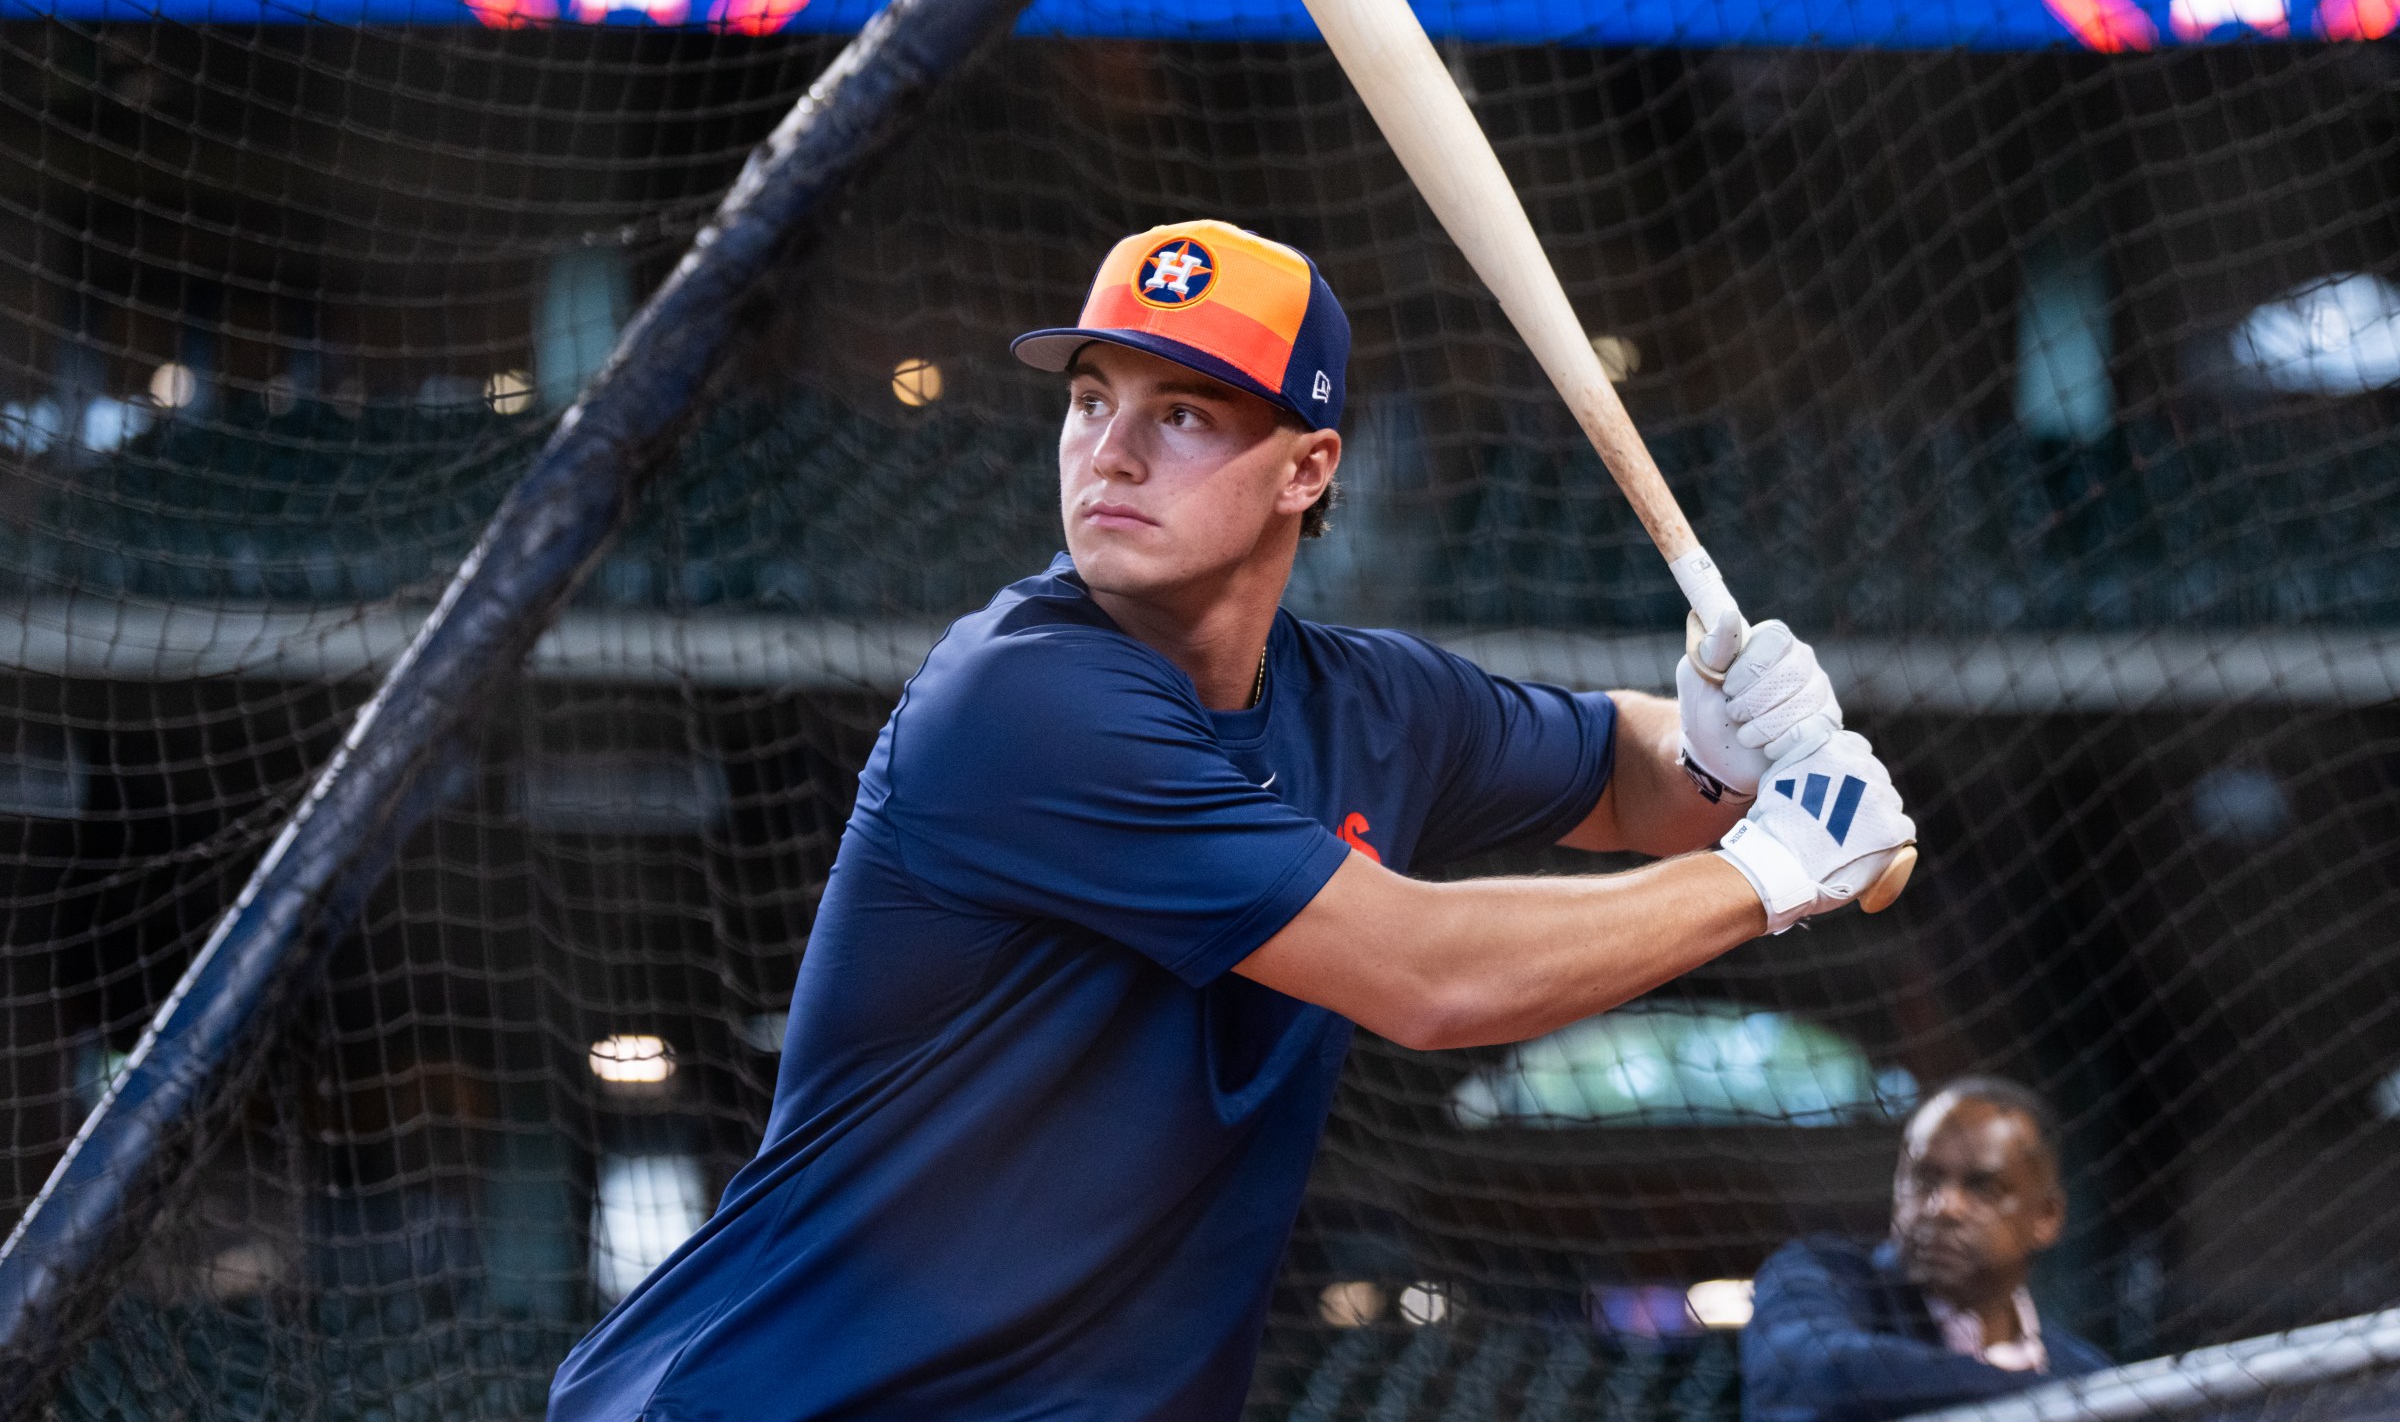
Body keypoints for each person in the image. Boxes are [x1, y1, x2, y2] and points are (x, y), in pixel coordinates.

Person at [548, 220, 1916, 1422]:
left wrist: (1724, 747)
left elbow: (1625, 771)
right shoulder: (1023, 703)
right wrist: (1776, 864)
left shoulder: (1366, 700)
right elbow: (1434, 978)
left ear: (1307, 469)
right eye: (1090, 400)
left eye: (1185, 413)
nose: (1112, 451)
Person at [1742, 1077, 2112, 1422]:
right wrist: (2051, 1399)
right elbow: (1807, 1372)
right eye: (1924, 1178)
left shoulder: (2085, 1372)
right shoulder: (1818, 1278)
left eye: (1983, 1187)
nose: (1944, 1206)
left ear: (2046, 1218)